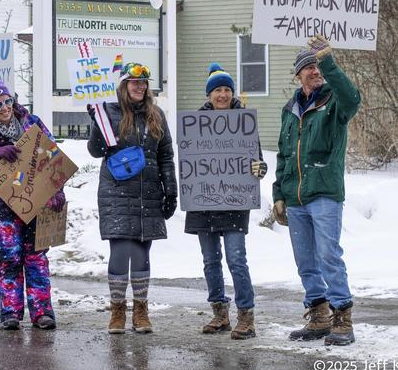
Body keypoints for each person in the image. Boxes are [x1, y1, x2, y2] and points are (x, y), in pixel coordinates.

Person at [272, 35, 361, 346]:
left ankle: (342, 316)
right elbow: (284, 154)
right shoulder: (289, 110)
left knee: (328, 255)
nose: (314, 71)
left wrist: (328, 60)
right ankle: (319, 315)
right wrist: (278, 195)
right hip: (295, 198)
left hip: (324, 193)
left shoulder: (334, 102)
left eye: (316, 66)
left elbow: (353, 98)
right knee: (306, 260)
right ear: (298, 74)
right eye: (308, 66)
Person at [87, 62, 177, 334]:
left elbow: (165, 155)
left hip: (148, 192)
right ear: (124, 85)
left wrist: (170, 189)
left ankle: (140, 311)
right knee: (120, 249)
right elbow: (95, 151)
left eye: (144, 82)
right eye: (134, 82)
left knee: (141, 251)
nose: (140, 86)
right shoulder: (109, 113)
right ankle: (117, 312)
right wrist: (96, 125)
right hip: (116, 191)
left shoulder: (157, 115)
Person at [0, 79, 65, 330]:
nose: (4, 107)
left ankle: (42, 311)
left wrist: (57, 190)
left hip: (37, 202)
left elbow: (53, 155)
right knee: (10, 257)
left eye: (8, 101)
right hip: (3, 207)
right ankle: (10, 312)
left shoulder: (31, 123)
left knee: (36, 257)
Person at [184, 63, 267, 340]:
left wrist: (259, 169)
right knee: (210, 261)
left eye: (227, 89)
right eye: (217, 89)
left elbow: (258, 162)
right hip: (203, 203)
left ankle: (246, 315)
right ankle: (219, 313)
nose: (222, 94)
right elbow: (189, 164)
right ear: (209, 94)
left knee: (236, 259)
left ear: (232, 93)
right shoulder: (194, 124)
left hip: (233, 200)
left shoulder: (244, 124)